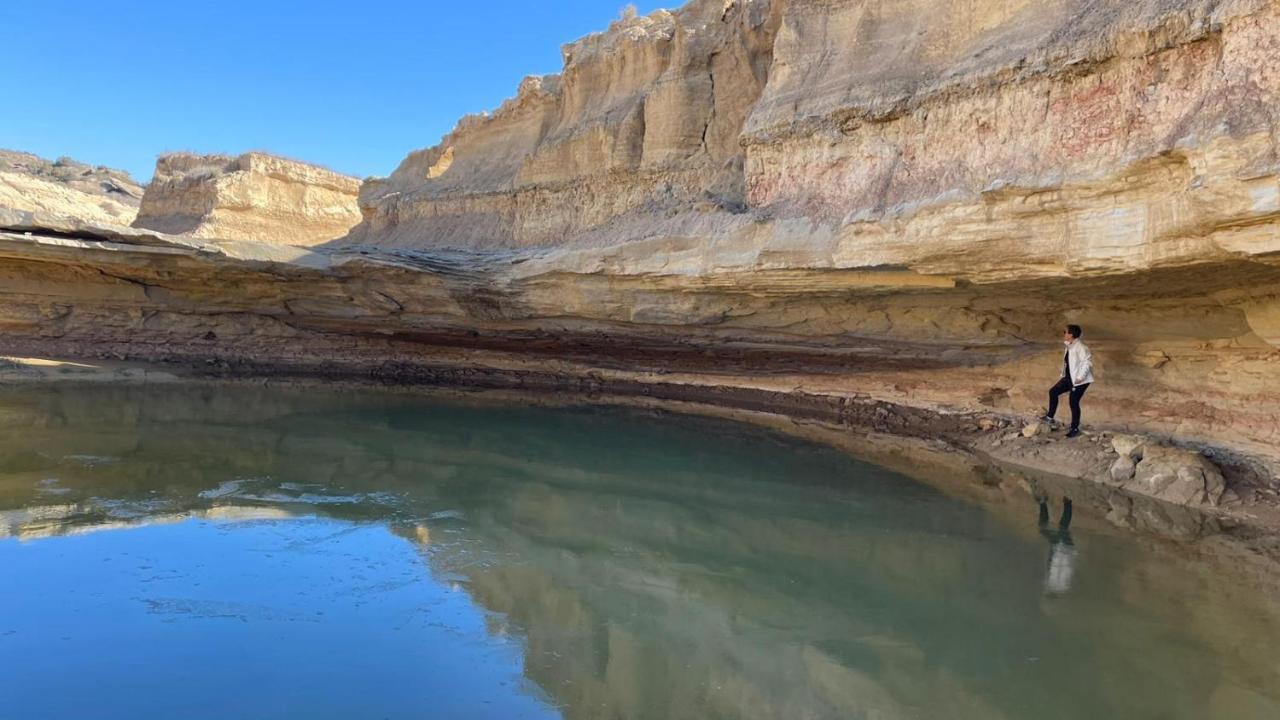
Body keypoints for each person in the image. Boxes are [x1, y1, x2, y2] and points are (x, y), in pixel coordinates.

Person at [1041, 324, 1093, 438]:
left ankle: (1075, 428)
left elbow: (1087, 363)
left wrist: (1080, 378)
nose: (1063, 334)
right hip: (1069, 378)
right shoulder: (1070, 346)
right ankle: (1050, 417)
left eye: (1065, 332)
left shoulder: (1081, 347)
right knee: (1053, 391)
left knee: (1073, 402)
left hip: (1080, 380)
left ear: (1071, 334)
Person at [1038, 495, 1076, 595]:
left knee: (1063, 527)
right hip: (1061, 547)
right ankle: (1043, 502)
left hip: (1068, 548)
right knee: (1051, 528)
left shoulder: (1063, 585)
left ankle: (1067, 503)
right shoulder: (1052, 580)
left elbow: (1068, 567)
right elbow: (1052, 560)